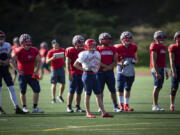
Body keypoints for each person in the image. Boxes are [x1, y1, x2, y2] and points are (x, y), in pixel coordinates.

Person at [74, 39, 113, 118]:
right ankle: (88, 113)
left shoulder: (97, 53)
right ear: (86, 46)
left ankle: (103, 112)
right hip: (87, 75)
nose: (92, 46)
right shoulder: (84, 54)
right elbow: (75, 64)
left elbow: (98, 63)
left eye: (93, 45)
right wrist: (84, 69)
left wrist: (96, 71)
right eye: (90, 45)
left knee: (98, 94)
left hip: (94, 75)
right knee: (88, 94)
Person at [11, 33, 44, 113]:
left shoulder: (34, 50)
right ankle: (24, 107)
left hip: (32, 74)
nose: (28, 43)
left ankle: (35, 108)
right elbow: (11, 61)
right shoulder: (18, 50)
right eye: (26, 42)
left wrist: (37, 71)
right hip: (22, 74)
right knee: (23, 91)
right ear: (22, 42)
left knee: (37, 89)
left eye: (29, 41)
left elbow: (40, 61)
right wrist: (18, 70)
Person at [0, 30, 25, 114]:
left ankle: (16, 107)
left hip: (5, 69)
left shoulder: (7, 45)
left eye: (3, 37)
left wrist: (7, 61)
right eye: (0, 37)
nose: (2, 39)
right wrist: (2, 62)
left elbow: (10, 56)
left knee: (11, 88)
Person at [97, 32, 121, 112]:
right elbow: (96, 60)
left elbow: (115, 60)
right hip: (100, 72)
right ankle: (101, 107)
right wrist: (107, 67)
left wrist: (108, 68)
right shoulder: (98, 48)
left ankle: (116, 106)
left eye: (108, 39)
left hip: (109, 72)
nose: (107, 41)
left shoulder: (113, 48)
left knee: (112, 90)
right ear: (101, 40)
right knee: (100, 90)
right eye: (105, 39)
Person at [115, 31, 138, 111]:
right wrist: (122, 63)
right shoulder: (118, 48)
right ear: (122, 39)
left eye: (129, 38)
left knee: (128, 88)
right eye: (125, 38)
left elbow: (136, 59)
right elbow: (114, 61)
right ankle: (121, 105)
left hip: (130, 70)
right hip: (121, 71)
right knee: (120, 88)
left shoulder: (134, 46)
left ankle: (126, 105)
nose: (127, 40)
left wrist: (135, 61)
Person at [65, 35, 85, 113]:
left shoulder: (84, 50)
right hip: (74, 73)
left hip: (82, 73)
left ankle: (77, 107)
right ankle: (69, 106)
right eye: (79, 42)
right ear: (75, 42)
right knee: (72, 90)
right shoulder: (70, 50)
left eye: (82, 42)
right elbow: (67, 63)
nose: (81, 43)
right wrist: (69, 73)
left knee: (79, 91)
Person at [150, 30, 168, 111]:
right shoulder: (154, 45)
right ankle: (155, 105)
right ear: (156, 38)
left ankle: (155, 104)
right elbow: (154, 60)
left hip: (161, 68)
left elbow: (163, 60)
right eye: (160, 37)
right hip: (156, 68)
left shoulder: (163, 47)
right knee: (157, 86)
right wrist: (157, 72)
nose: (162, 38)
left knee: (159, 86)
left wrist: (165, 70)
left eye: (163, 37)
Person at [168, 31, 180, 111]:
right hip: (176, 68)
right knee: (174, 88)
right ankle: (172, 104)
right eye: (178, 37)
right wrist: (174, 71)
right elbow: (171, 60)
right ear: (175, 38)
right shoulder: (173, 47)